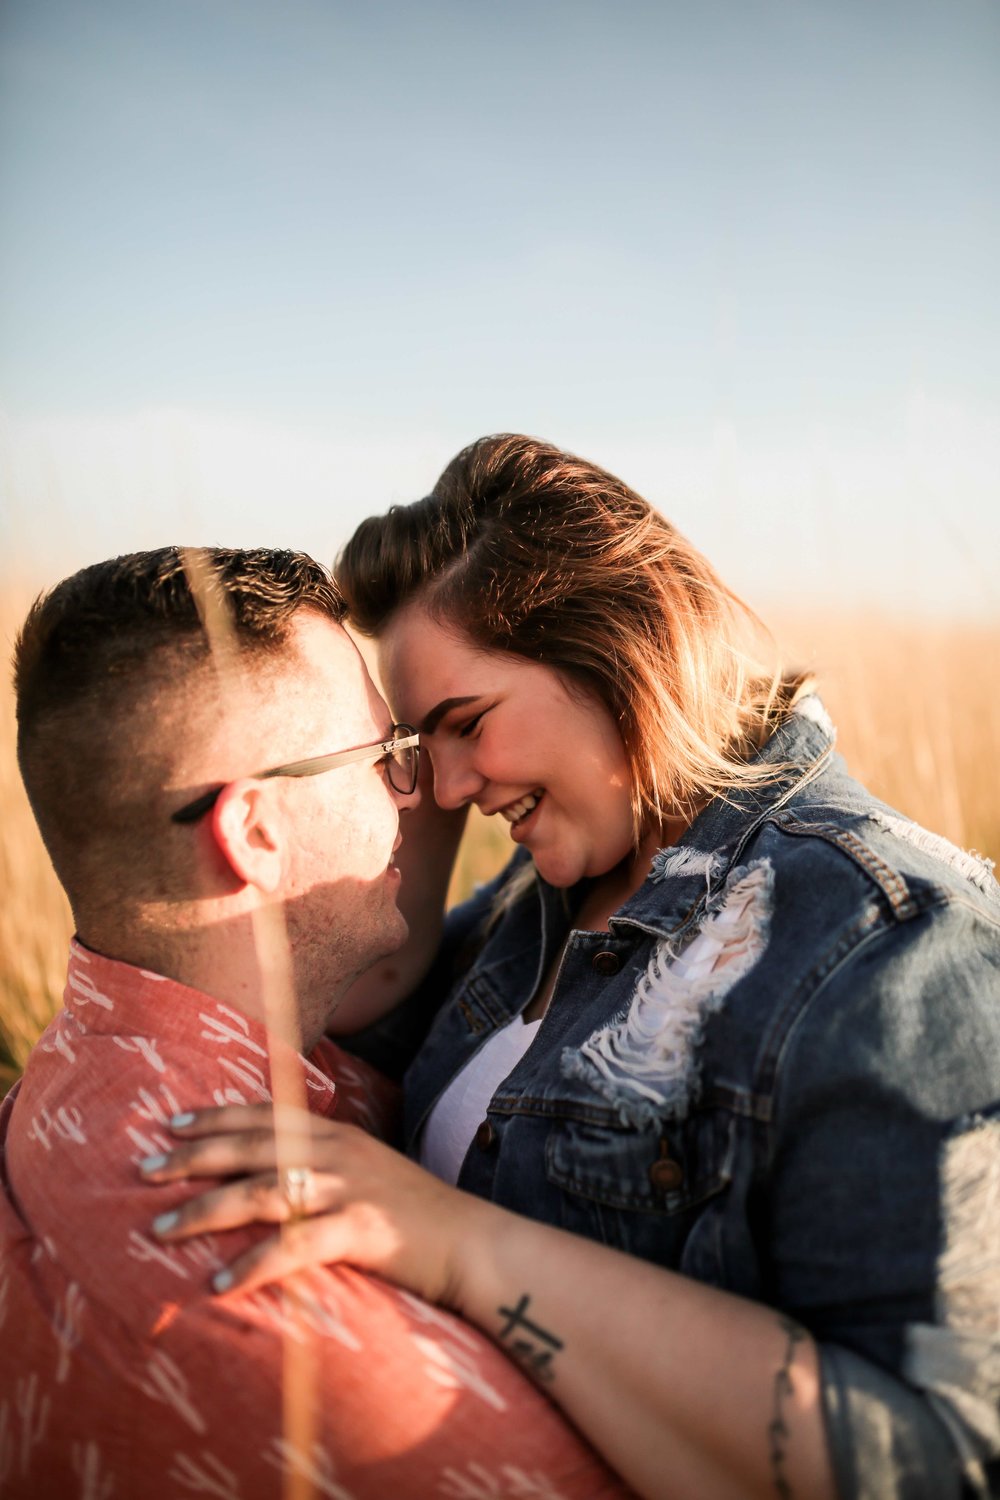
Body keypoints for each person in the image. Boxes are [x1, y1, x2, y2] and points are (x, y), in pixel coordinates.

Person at [151, 437, 1000, 1500]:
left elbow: (938, 1459)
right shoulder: (542, 899)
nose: (450, 786)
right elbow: (357, 1004)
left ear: (624, 646)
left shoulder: (894, 942)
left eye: (466, 725)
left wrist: (461, 1247)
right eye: (420, 745)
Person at [0, 546, 628, 1500]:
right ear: (255, 832)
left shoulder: (86, 1085)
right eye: (384, 758)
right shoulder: (253, 1267)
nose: (419, 793)